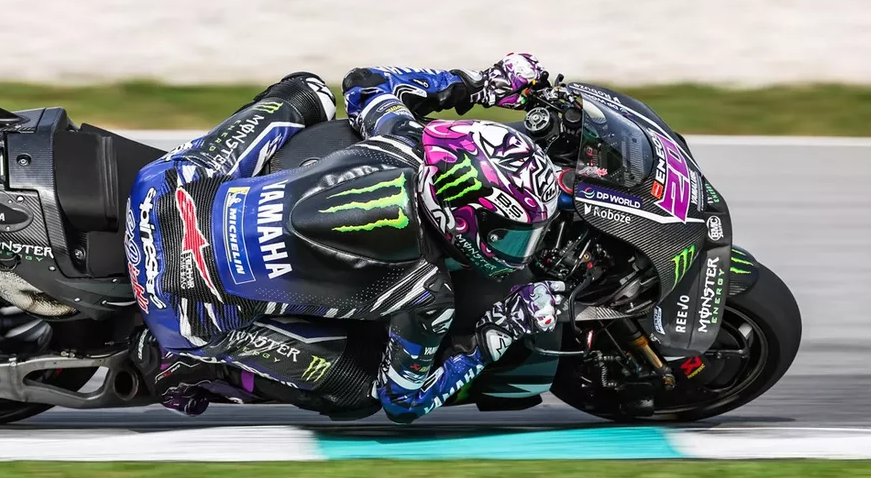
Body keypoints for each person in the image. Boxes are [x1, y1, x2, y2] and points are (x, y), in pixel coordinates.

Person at [124, 53, 564, 423]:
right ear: (462, 219)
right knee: (361, 394)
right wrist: (503, 329)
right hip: (187, 309)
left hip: (162, 191)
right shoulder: (428, 295)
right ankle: (192, 368)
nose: (517, 251)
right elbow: (404, 403)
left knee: (310, 90)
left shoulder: (403, 139)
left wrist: (478, 85)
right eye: (510, 236)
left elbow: (364, 82)